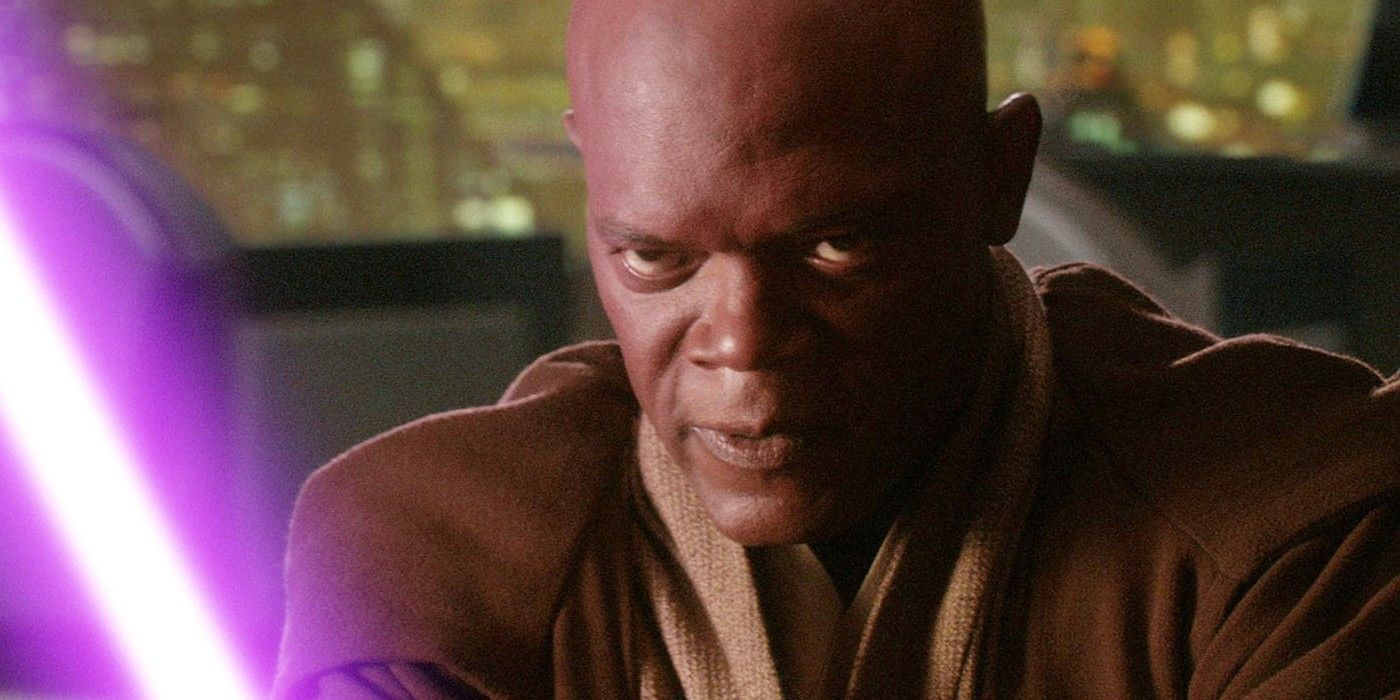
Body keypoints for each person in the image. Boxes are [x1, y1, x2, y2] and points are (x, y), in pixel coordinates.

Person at [273, 0, 1400, 697]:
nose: (743, 343)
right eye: (655, 257)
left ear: (997, 176)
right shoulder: (436, 567)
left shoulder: (1286, 522)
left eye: (837, 245)